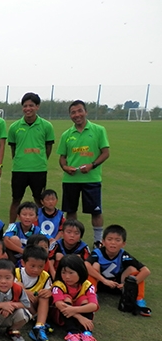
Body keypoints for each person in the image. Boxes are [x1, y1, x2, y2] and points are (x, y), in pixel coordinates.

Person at [58, 100, 110, 248]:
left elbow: (106, 153)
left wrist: (92, 165)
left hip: (91, 178)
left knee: (95, 212)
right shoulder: (66, 134)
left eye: (80, 111)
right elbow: (62, 157)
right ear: (70, 115)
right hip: (71, 180)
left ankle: (98, 241)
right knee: (71, 212)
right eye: (73, 112)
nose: (77, 115)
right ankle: (71, 240)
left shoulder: (99, 130)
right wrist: (65, 167)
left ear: (86, 112)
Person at [7, 93, 55, 223]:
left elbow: (48, 147)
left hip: (38, 169)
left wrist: (40, 159)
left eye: (31, 105)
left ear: (37, 106)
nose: (28, 108)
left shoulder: (46, 126)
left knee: (40, 201)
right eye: (25, 106)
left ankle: (41, 227)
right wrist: (19, 160)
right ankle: (12, 227)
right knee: (16, 200)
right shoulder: (14, 127)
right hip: (19, 169)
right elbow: (13, 148)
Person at [86, 225, 151, 316]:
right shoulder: (97, 252)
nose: (113, 243)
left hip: (118, 285)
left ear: (123, 244)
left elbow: (146, 271)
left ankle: (139, 299)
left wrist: (127, 284)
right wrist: (104, 280)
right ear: (103, 242)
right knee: (95, 265)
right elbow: (86, 265)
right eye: (110, 239)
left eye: (117, 240)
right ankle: (91, 295)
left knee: (133, 270)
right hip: (100, 283)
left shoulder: (124, 255)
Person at [51, 255, 99, 341]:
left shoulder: (87, 285)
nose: (67, 276)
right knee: (66, 299)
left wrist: (73, 310)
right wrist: (79, 317)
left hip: (74, 312)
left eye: (71, 273)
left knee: (84, 300)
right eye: (63, 272)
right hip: (61, 316)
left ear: (80, 272)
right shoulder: (59, 285)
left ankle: (86, 333)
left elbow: (94, 305)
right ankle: (72, 332)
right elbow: (59, 305)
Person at [15, 246, 52, 341]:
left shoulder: (45, 276)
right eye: (32, 266)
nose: (36, 270)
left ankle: (39, 326)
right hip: (20, 306)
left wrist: (49, 292)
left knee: (44, 296)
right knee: (18, 286)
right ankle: (36, 319)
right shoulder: (16, 272)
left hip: (36, 305)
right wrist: (25, 292)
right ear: (23, 263)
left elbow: (49, 290)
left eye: (40, 266)